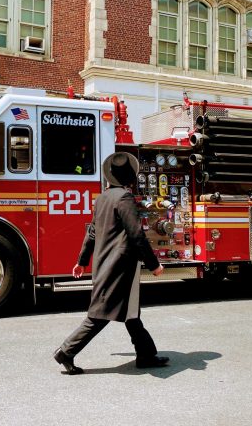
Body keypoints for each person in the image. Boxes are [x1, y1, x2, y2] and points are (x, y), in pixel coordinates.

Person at [53, 152, 167, 375]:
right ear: (130, 177)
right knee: (99, 315)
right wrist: (154, 264)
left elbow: (92, 233)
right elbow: (136, 235)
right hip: (121, 265)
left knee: (131, 312)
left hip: (106, 262)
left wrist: (81, 261)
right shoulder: (124, 198)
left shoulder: (102, 198)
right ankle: (65, 352)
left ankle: (146, 354)